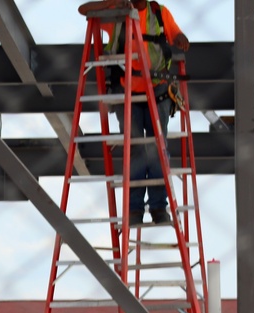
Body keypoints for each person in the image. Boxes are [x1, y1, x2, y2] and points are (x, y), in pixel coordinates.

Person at [78, 0, 190, 225]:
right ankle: (135, 210)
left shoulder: (158, 13)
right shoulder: (116, 13)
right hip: (127, 92)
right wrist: (114, 3)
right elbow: (84, 10)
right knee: (136, 149)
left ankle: (159, 207)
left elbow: (178, 36)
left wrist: (180, 39)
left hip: (157, 90)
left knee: (158, 149)